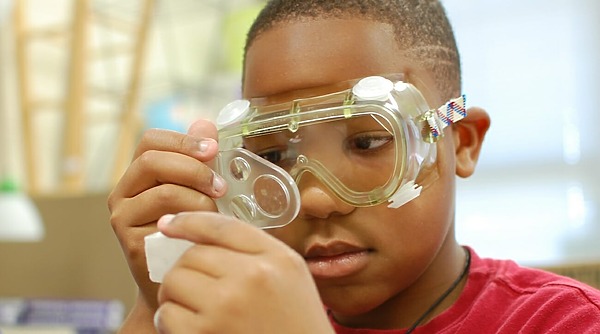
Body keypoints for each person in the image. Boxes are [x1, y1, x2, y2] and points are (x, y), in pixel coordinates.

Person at [107, 0, 600, 333]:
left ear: (462, 142)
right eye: (274, 156)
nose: (317, 199)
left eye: (368, 142)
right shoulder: (236, 312)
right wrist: (156, 303)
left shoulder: (563, 321)